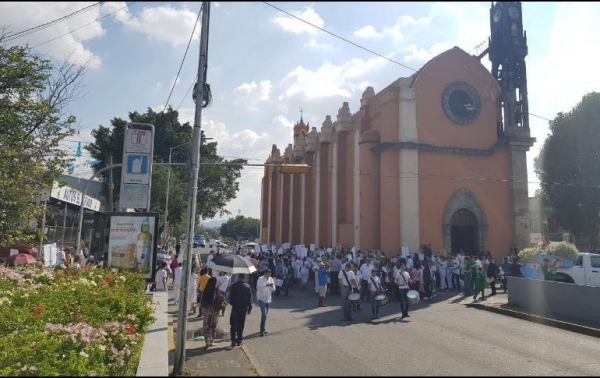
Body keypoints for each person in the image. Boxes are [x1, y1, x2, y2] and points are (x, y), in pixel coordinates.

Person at [229, 273, 253, 347]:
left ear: (238, 277)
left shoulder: (234, 286)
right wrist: (250, 308)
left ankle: (233, 338)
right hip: (243, 308)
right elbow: (250, 298)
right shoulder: (247, 287)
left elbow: (231, 298)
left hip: (235, 307)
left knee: (233, 324)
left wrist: (232, 303)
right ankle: (239, 340)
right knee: (241, 325)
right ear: (244, 278)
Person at [200, 276, 222, 348]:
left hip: (206, 311)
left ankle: (207, 341)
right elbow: (219, 301)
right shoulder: (216, 291)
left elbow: (201, 301)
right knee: (213, 326)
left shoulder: (205, 290)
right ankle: (212, 341)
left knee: (206, 325)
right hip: (214, 312)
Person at [256, 269, 276, 336]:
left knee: (265, 315)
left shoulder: (271, 279)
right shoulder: (260, 279)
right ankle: (262, 330)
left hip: (268, 299)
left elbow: (274, 289)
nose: (268, 276)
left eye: (269, 275)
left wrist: (272, 286)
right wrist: (266, 285)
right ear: (265, 274)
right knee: (264, 314)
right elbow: (259, 288)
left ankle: (263, 328)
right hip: (261, 298)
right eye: (267, 274)